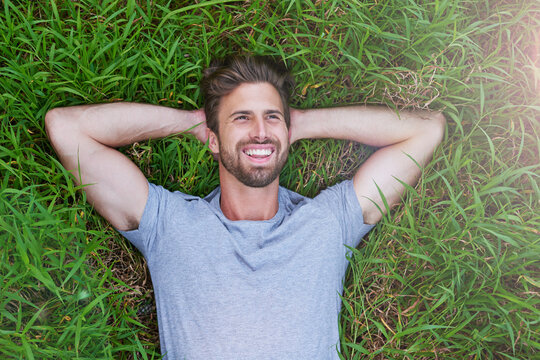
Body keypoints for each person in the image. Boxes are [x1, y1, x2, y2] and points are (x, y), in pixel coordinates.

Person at [45, 56, 445, 359]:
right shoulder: (169, 223)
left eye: (272, 117)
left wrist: (300, 123)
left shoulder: (327, 222)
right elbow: (67, 128)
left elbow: (425, 131)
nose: (260, 130)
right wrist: (193, 123)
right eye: (241, 118)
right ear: (214, 139)